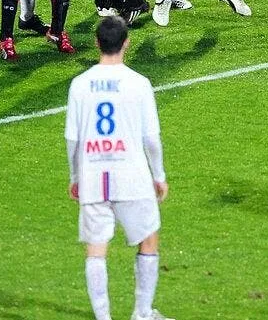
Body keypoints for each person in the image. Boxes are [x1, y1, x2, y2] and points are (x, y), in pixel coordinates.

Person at [65, 16, 172, 320]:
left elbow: (72, 139)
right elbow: (151, 139)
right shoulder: (139, 84)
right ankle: (141, 313)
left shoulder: (80, 85)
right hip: (131, 174)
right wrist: (159, 176)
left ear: (97, 43)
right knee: (148, 238)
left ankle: (103, 318)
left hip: (93, 174)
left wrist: (75, 177)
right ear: (127, 42)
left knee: (96, 248)